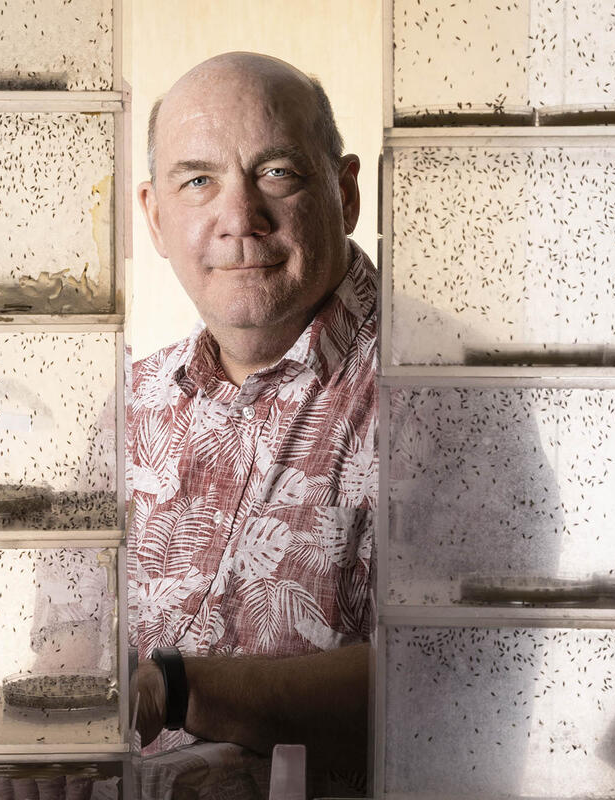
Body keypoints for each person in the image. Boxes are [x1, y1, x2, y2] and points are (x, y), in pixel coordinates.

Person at [127, 51, 377, 788]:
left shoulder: (442, 394)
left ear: (345, 193)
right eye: (197, 181)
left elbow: (454, 673)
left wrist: (177, 689)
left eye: (276, 172)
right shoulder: (127, 406)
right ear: (155, 217)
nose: (239, 218)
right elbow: (61, 658)